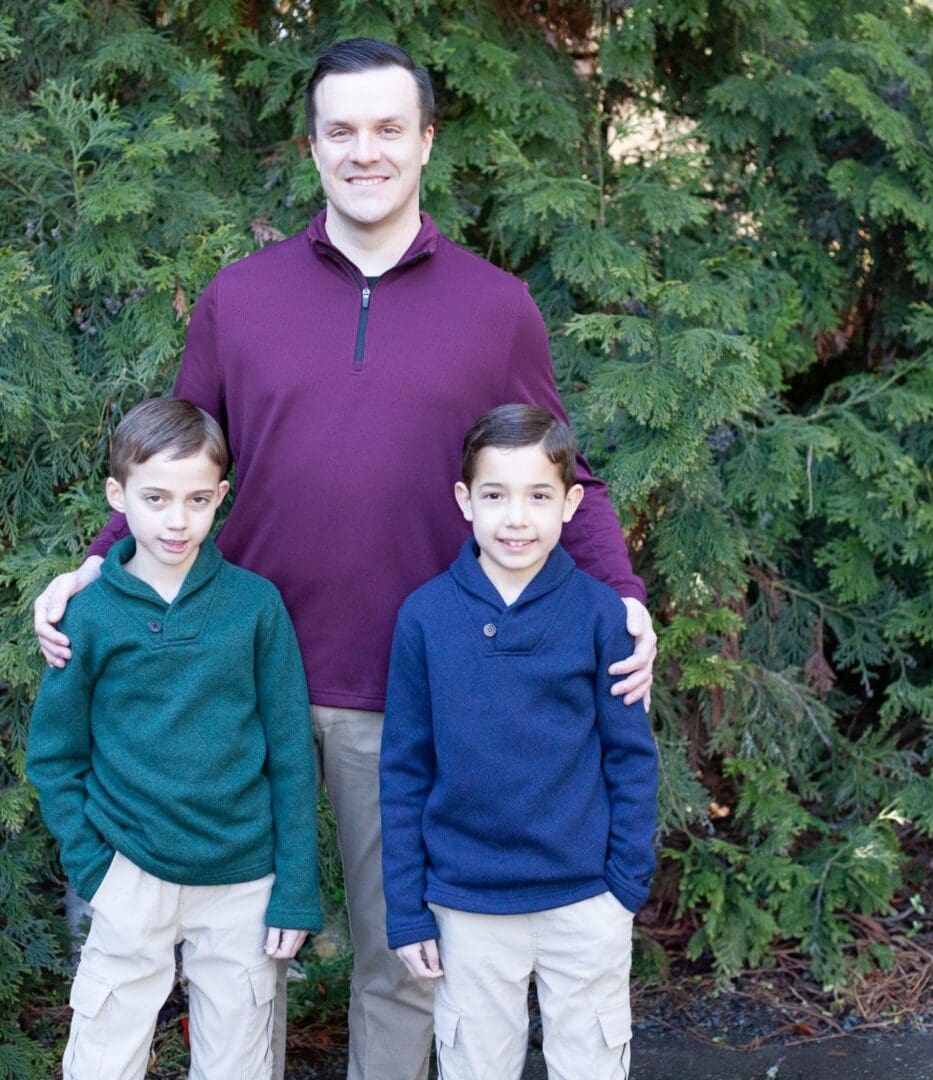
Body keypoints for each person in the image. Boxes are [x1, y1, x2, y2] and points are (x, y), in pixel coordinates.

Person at [32, 38, 657, 1080]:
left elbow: (562, 469)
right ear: (312, 145)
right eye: (340, 131)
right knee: (245, 956)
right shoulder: (241, 296)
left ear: (424, 141)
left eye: (385, 129)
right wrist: (96, 566)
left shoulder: (494, 304)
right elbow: (178, 458)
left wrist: (625, 597)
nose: (363, 152)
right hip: (237, 681)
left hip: (405, 689)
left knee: (403, 962)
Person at [27, 398, 321, 1079]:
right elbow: (55, 753)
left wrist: (295, 886)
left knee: (237, 1057)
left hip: (242, 878)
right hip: (130, 870)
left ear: (221, 496)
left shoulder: (254, 605)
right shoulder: (91, 614)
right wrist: (93, 866)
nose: (177, 519)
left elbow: (289, 755)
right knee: (104, 1055)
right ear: (118, 495)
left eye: (196, 499)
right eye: (155, 498)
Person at [381, 404, 658, 1079]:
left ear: (569, 504)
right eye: (495, 495)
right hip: (467, 904)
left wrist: (624, 882)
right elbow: (404, 773)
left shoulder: (602, 616)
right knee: (476, 1064)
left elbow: (630, 758)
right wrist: (408, 910)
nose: (516, 518)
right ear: (464, 501)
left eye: (538, 496)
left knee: (590, 1062)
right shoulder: (425, 617)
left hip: (585, 898)